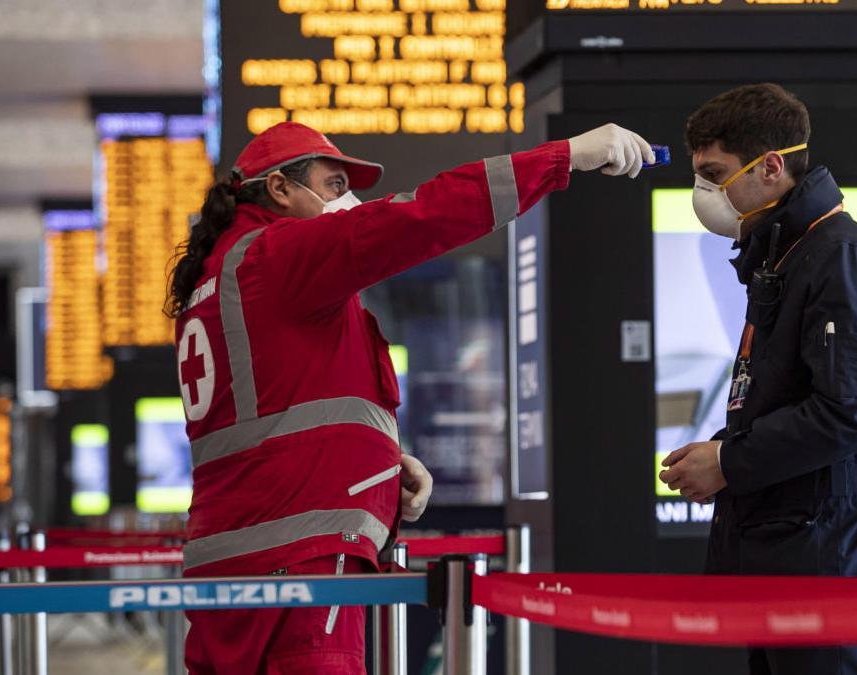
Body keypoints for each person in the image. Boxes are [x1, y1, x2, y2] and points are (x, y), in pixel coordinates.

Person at [166, 120, 654, 673]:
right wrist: (561, 158)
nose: (345, 199)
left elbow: (269, 408)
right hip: (298, 557)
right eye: (331, 185)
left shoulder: (217, 279)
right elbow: (424, 215)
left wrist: (376, 464)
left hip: (232, 560)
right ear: (279, 188)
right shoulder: (278, 256)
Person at [658, 84, 857, 675]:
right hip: (789, 550)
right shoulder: (787, 254)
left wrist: (729, 461)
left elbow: (846, 413)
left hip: (829, 555)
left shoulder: (841, 257)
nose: (705, 193)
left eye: (715, 173)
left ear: (772, 167)